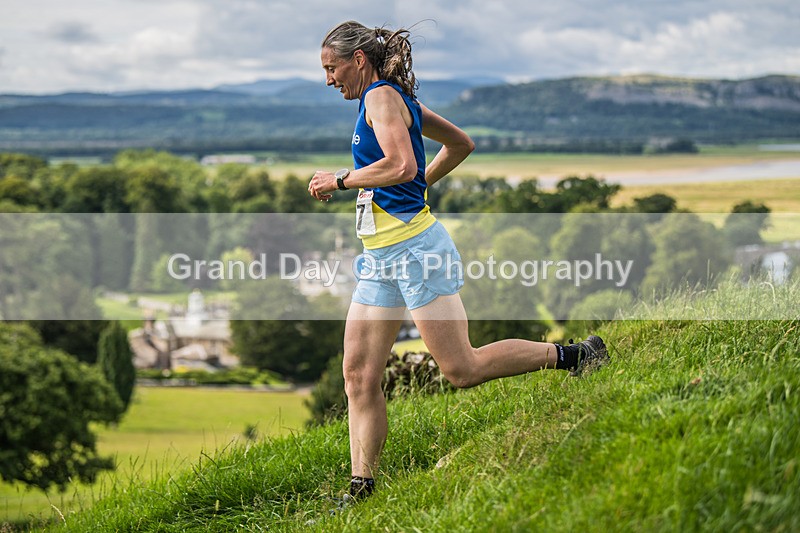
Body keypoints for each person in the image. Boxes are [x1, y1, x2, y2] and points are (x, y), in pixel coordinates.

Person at [307, 20, 608, 501]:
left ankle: (577, 355)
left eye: (332, 67)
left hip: (415, 252)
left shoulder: (380, 98)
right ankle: (361, 487)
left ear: (357, 60)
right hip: (379, 257)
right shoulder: (394, 99)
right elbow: (460, 144)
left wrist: (340, 180)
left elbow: (402, 165)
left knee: (461, 368)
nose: (329, 79)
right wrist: (417, 183)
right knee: (358, 375)